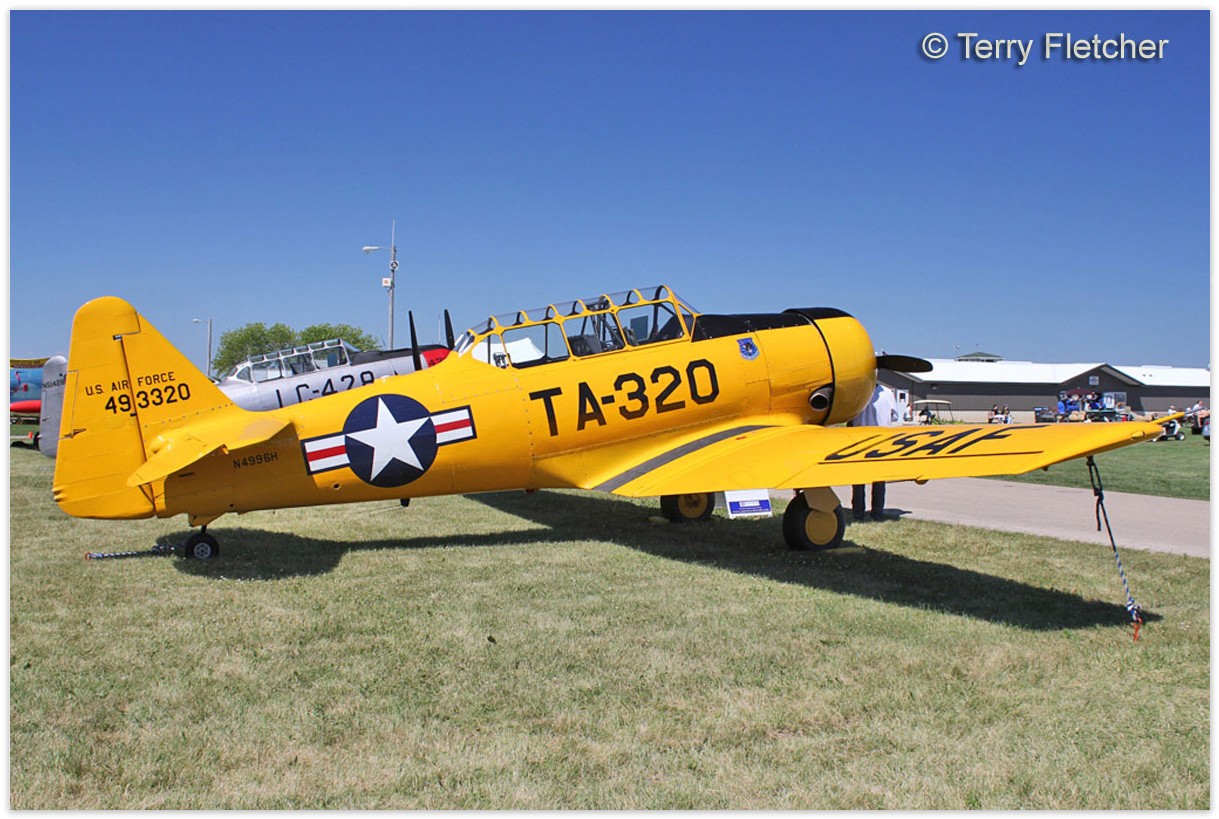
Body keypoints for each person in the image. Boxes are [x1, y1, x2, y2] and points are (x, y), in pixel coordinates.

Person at [851, 383, 900, 522]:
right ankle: (871, 513)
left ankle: (865, 513)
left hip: (870, 440)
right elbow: (895, 417)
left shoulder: (860, 392)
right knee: (869, 481)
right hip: (871, 440)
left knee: (867, 481)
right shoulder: (885, 393)